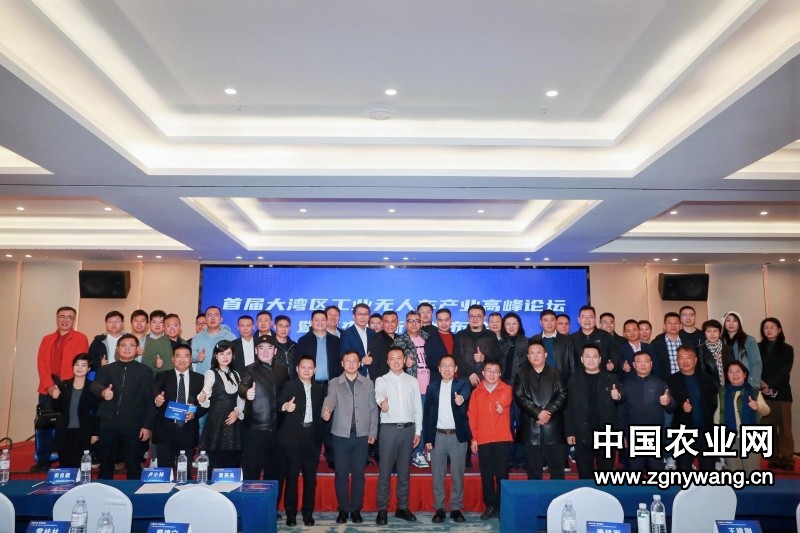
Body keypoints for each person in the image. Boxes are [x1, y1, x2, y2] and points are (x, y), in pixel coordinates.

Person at [322, 351, 379, 525]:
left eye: (355, 361)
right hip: (340, 435)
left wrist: (373, 432)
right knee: (341, 473)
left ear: (360, 364)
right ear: (342, 363)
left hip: (361, 435)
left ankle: (355, 509)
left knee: (358, 474)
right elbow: (330, 399)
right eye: (348, 361)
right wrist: (326, 410)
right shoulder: (334, 383)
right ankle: (343, 509)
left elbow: (373, 409)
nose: (352, 364)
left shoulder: (368, 383)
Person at [91, 334, 155, 479]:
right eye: (123, 345)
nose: (127, 348)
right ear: (117, 349)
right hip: (108, 423)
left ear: (137, 349)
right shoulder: (106, 369)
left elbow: (149, 401)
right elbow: (95, 385)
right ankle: (104, 490)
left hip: (134, 425)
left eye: (131, 345)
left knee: (133, 464)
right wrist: (103, 392)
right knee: (105, 464)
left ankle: (134, 492)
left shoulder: (145, 371)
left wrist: (147, 426)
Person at [34, 306, 89, 472]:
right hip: (47, 385)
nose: (65, 320)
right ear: (57, 318)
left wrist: (66, 387)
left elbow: (81, 364)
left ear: (74, 320)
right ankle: (43, 460)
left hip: (70, 386)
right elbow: (41, 364)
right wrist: (50, 386)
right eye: (62, 316)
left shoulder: (80, 338)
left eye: (69, 317)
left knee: (67, 424)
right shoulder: (47, 339)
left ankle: (66, 459)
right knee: (44, 423)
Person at [374, 347, 423, 525]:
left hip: (408, 430)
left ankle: (402, 507)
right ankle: (382, 509)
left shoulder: (412, 381)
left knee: (404, 472)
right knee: (385, 471)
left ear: (404, 360)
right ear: (387, 361)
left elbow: (417, 407)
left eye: (399, 358)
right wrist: (382, 403)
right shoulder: (381, 380)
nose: (396, 361)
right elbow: (379, 394)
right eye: (392, 359)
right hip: (389, 430)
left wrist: (418, 431)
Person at [393, 310, 445, 467]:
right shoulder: (400, 341)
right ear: (405, 323)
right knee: (416, 421)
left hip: (431, 386)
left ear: (422, 323)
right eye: (411, 321)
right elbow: (393, 364)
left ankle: (428, 449)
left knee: (430, 419)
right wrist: (404, 364)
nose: (414, 324)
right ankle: (416, 452)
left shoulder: (429, 338)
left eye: (417, 321)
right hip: (412, 387)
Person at [422, 355, 471, 523]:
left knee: (458, 474)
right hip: (438, 436)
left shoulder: (462, 384)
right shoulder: (432, 388)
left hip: (457, 437)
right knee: (438, 475)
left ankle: (456, 507)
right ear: (439, 368)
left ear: (456, 369)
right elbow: (427, 415)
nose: (447, 369)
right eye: (444, 365)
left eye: (450, 365)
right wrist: (427, 439)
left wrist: (461, 399)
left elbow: (465, 393)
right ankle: (440, 508)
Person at [565, 344, 625, 479]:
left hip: (605, 433)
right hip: (582, 432)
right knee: (584, 474)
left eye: (594, 356)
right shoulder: (574, 379)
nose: (591, 360)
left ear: (600, 359)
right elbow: (568, 407)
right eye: (587, 356)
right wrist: (569, 432)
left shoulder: (611, 378)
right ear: (581, 359)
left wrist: (618, 396)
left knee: (605, 475)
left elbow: (622, 396)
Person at [278, 355, 324, 527]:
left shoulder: (319, 389)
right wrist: (285, 406)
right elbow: (278, 404)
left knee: (310, 479)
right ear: (297, 369)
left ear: (315, 370)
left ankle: (307, 513)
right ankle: (291, 514)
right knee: (291, 477)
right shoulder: (289, 386)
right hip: (292, 439)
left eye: (310, 368)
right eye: (303, 367)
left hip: (312, 438)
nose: (306, 370)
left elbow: (322, 413)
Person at [295, 309, 342, 468]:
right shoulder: (303, 341)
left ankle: (332, 458)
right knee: (311, 422)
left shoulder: (336, 341)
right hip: (311, 386)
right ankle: (310, 458)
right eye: (317, 320)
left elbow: (340, 366)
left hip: (331, 386)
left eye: (323, 319)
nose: (320, 322)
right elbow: (297, 366)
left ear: (327, 321)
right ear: (311, 322)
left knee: (331, 423)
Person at [238, 335, 289, 482]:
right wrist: (246, 392)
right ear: (256, 350)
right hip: (255, 431)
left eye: (269, 348)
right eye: (261, 348)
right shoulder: (249, 370)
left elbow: (286, 394)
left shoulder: (282, 370)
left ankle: (272, 499)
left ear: (275, 351)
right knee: (251, 473)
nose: (265, 351)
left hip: (277, 431)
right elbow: (243, 386)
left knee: (275, 474)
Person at [514, 340, 567, 479]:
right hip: (531, 429)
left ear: (546, 355)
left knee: (557, 472)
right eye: (532, 353)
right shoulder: (521, 375)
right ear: (528, 356)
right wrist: (538, 413)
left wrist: (548, 412)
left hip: (553, 428)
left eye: (539, 352)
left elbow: (562, 395)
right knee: (533, 473)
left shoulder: (557, 374)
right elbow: (520, 397)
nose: (535, 355)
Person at [152, 343, 206, 476]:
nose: (182, 360)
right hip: (165, 432)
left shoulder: (199, 378)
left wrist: (194, 413)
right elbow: (155, 392)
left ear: (190, 359)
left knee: (185, 474)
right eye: (178, 356)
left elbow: (205, 403)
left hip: (188, 431)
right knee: (166, 474)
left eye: (186, 356)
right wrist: (157, 400)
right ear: (172, 359)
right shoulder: (162, 376)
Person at [468, 361, 513, 520]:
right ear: (483, 373)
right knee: (486, 475)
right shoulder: (476, 392)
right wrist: (474, 438)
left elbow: (505, 400)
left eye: (496, 371)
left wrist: (500, 407)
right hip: (483, 439)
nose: (492, 374)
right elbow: (472, 416)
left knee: (502, 474)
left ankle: (502, 506)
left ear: (500, 374)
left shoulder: (506, 389)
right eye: (489, 371)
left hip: (502, 438)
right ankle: (490, 506)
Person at [619, 351, 674, 472]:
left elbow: (671, 408)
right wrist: (623, 435)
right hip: (633, 435)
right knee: (635, 471)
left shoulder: (660, 384)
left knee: (656, 471)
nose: (643, 364)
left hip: (654, 435)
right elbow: (621, 413)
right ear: (634, 365)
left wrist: (668, 402)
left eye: (646, 361)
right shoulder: (626, 385)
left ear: (651, 364)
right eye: (639, 361)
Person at [666, 345, 718, 472]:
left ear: (695, 360)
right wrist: (681, 407)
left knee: (708, 469)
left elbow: (713, 404)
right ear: (676, 360)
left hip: (705, 431)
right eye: (681, 358)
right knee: (684, 470)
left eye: (688, 357)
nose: (685, 361)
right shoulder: (670, 381)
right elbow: (668, 407)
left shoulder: (707, 379)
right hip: (682, 432)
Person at [715, 360, 770, 474]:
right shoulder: (722, 393)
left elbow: (767, 411)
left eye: (738, 371)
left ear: (745, 374)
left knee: (752, 471)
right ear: (726, 375)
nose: (734, 375)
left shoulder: (754, 391)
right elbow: (717, 415)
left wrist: (758, 406)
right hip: (730, 436)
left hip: (752, 436)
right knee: (735, 471)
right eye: (730, 372)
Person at [198, 340, 244, 471]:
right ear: (216, 356)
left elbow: (241, 398)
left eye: (228, 353)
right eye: (221, 354)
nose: (225, 357)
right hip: (216, 423)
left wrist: (237, 412)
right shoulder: (211, 373)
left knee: (233, 462)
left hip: (234, 422)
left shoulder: (236, 374)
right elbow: (205, 395)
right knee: (216, 464)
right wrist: (202, 398)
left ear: (232, 355)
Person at [49, 353, 99, 468]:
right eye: (77, 364)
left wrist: (95, 433)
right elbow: (56, 407)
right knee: (65, 465)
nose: (79, 368)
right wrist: (55, 397)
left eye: (83, 365)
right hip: (65, 431)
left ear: (89, 369)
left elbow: (96, 412)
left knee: (81, 466)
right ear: (73, 367)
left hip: (83, 432)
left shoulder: (92, 387)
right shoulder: (64, 385)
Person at [758, 317, 794, 471]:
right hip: (763, 393)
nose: (769, 330)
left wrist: (768, 384)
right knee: (768, 427)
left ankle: (787, 458)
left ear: (779, 330)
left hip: (782, 392)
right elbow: (755, 367)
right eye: (766, 327)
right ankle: (772, 457)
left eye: (772, 327)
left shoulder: (787, 349)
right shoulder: (757, 347)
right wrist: (762, 385)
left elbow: (784, 371)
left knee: (785, 427)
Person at [453, 304, 502, 387]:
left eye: (478, 316)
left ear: (484, 318)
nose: (475, 319)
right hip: (464, 380)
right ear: (468, 318)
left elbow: (497, 357)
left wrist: (484, 358)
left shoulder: (491, 335)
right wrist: (470, 373)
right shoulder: (460, 335)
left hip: (487, 380)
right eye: (472, 316)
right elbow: (456, 357)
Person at [570, 305, 621, 373]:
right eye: (584, 317)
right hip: (579, 377)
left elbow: (616, 355)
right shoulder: (571, 339)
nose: (587, 320)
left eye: (590, 317)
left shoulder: (606, 336)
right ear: (579, 320)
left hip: (603, 376)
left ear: (595, 319)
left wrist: (613, 364)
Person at [529, 309, 574, 384]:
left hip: (562, 382)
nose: (549, 323)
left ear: (556, 322)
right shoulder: (533, 340)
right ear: (541, 323)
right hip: (538, 382)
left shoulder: (567, 340)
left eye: (552, 320)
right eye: (546, 320)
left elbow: (572, 364)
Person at [722, 311, 762, 388]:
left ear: (739, 323)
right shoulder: (720, 341)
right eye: (728, 320)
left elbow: (756, 363)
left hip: (746, 383)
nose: (731, 323)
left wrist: (754, 384)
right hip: (726, 384)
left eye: (735, 321)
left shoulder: (749, 341)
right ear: (724, 323)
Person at [192, 306, 236, 375]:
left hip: (224, 377)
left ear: (221, 319)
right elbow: (191, 354)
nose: (212, 318)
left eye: (216, 315)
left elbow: (235, 357)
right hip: (202, 377)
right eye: (209, 315)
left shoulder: (230, 337)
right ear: (205, 319)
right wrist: (197, 356)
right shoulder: (197, 337)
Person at [340, 303, 376, 375]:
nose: (363, 317)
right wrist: (361, 361)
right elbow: (344, 356)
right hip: (355, 374)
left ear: (369, 317)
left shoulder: (372, 333)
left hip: (372, 374)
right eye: (359, 314)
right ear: (354, 317)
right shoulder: (346, 334)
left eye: (366, 314)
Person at [697, 319, 734, 388]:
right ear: (704, 333)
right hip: (709, 387)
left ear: (720, 332)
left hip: (728, 386)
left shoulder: (728, 349)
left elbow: (732, 368)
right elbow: (702, 371)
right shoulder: (700, 349)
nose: (712, 334)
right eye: (709, 331)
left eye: (715, 331)